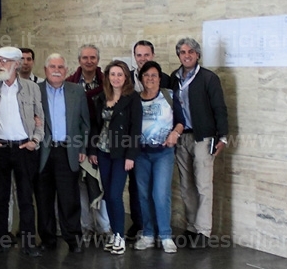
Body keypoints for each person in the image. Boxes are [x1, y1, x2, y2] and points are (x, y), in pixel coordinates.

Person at [0, 46, 44, 256]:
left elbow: (40, 119)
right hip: (0, 148)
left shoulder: (31, 88)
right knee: (1, 197)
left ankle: (28, 242)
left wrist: (35, 140)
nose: (0, 64)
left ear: (16, 64)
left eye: (5, 61)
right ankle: (0, 239)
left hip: (23, 148)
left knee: (26, 197)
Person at [170, 37, 229, 249]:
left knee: (203, 185)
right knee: (186, 186)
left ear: (197, 55)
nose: (187, 55)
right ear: (179, 55)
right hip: (181, 137)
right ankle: (192, 228)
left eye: (191, 52)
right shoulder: (173, 79)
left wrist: (222, 136)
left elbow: (219, 109)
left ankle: (204, 232)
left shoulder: (208, 78)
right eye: (183, 52)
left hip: (203, 137)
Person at [37, 53, 90, 253]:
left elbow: (85, 123)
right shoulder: (36, 91)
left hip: (68, 151)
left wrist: (82, 147)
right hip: (43, 153)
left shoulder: (76, 91)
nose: (57, 70)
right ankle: (48, 239)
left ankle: (73, 239)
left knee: (69, 198)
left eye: (60, 67)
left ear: (66, 70)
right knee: (44, 199)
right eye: (52, 66)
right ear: (45, 70)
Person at [88, 61, 142, 255]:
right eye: (113, 74)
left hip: (121, 154)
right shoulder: (102, 97)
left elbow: (136, 128)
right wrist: (92, 150)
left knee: (114, 195)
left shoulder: (132, 98)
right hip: (103, 152)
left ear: (126, 77)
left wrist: (131, 155)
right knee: (107, 195)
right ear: (107, 77)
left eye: (120, 74)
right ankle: (114, 233)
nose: (116, 78)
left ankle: (119, 235)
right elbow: (96, 126)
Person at [135, 61, 184, 254]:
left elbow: (181, 121)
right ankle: (148, 234)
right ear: (141, 78)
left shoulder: (169, 96)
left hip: (163, 153)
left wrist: (175, 134)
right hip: (140, 154)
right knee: (143, 194)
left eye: (154, 75)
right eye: (146, 75)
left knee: (160, 194)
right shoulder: (134, 99)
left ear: (160, 77)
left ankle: (165, 235)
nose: (150, 79)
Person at [66, 44, 113, 241]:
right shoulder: (70, 84)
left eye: (92, 57)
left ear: (98, 60)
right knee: (81, 186)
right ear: (79, 60)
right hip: (77, 141)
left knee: (101, 183)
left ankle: (104, 227)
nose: (89, 61)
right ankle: (85, 226)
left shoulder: (107, 83)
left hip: (103, 142)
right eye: (85, 57)